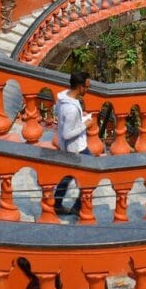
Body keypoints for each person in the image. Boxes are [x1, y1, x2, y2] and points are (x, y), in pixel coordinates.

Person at [52, 71, 93, 216]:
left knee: (67, 176)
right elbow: (67, 134)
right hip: (76, 148)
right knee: (90, 175)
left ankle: (57, 204)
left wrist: (79, 120)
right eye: (87, 86)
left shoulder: (63, 97)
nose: (88, 89)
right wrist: (85, 125)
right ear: (81, 87)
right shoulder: (70, 109)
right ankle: (78, 206)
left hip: (67, 146)